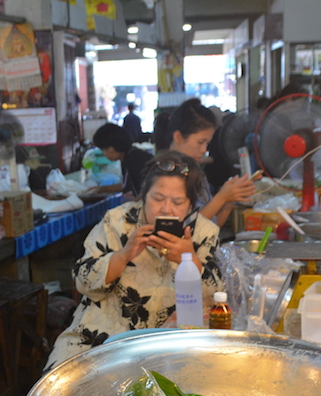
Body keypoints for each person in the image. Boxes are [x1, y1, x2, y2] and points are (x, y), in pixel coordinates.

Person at [45, 151, 224, 369]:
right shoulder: (117, 221)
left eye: (177, 202)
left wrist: (190, 260)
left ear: (190, 205)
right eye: (158, 199)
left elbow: (217, 298)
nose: (166, 209)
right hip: (99, 337)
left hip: (171, 342)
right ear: (144, 195)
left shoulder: (204, 232)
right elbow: (83, 282)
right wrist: (124, 255)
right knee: (62, 386)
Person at [158, 98, 256, 229]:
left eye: (207, 143)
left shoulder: (195, 171)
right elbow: (183, 231)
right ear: (178, 137)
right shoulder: (163, 175)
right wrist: (221, 197)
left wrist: (230, 199)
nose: (204, 150)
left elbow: (211, 228)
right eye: (200, 142)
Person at [91, 122, 153, 199]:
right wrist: (101, 189)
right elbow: (126, 185)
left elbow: (145, 191)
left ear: (117, 144)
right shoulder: (126, 158)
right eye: (102, 150)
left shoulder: (135, 159)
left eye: (106, 149)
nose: (105, 153)